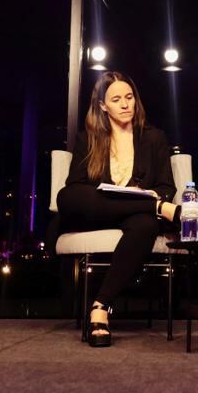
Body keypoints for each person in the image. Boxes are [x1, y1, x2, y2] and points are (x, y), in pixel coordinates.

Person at [53, 71, 179, 347]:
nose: (125, 104)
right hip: (95, 212)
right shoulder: (88, 138)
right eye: (116, 99)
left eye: (129, 97)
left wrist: (147, 197)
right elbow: (75, 187)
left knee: (146, 224)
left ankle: (100, 308)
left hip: (135, 218)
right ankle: (154, 207)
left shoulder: (154, 137)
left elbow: (167, 187)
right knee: (67, 196)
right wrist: (152, 202)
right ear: (102, 106)